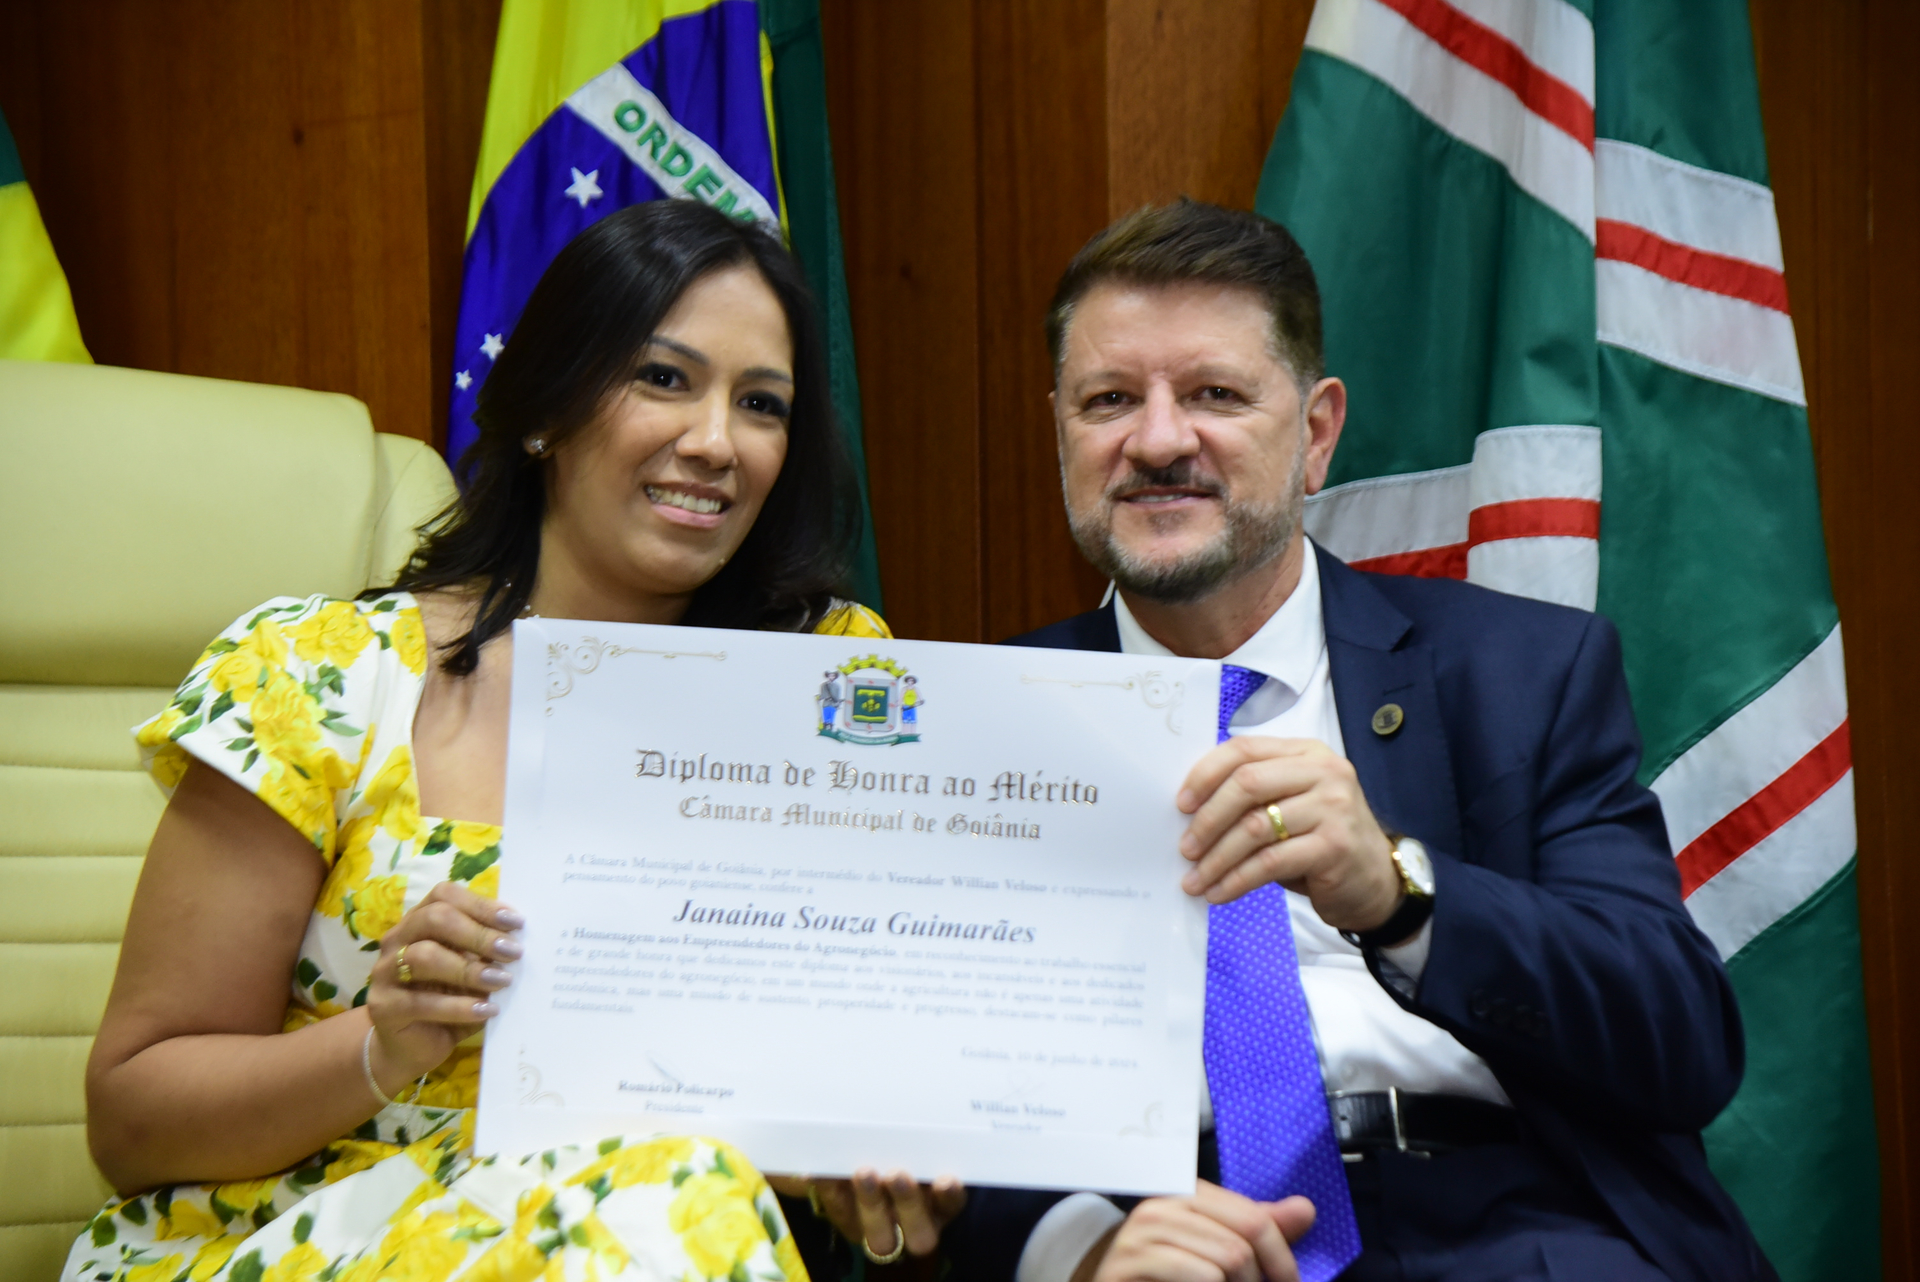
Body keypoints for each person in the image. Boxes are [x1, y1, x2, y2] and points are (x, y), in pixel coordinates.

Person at [66, 200, 947, 1282]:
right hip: (302, 1234)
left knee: (675, 1192)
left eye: (761, 404)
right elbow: (132, 1123)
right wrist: (379, 1044)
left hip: (662, 1223)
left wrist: (853, 1160)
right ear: (547, 411)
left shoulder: (831, 681)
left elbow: (851, 1043)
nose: (717, 442)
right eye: (663, 378)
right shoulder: (319, 675)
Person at [944, 201, 1775, 1282]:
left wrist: (1402, 893)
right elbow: (928, 1076)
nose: (1157, 440)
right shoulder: (983, 719)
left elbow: (1680, 1040)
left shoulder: (1521, 674)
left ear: (1317, 433)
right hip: (1176, 1235)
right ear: (1061, 430)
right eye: (1110, 400)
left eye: (1215, 394)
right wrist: (1075, 1244)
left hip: (1517, 1224)